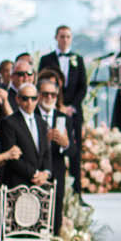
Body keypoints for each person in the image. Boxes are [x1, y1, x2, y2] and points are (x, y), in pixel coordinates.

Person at [0, 76, 57, 241]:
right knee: (19, 229)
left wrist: (46, 174)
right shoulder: (9, 123)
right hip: (18, 184)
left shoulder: (42, 123)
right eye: (25, 98)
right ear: (18, 100)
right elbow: (12, 156)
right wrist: (33, 173)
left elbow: (47, 152)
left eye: (33, 98)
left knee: (36, 228)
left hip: (39, 186)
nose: (29, 102)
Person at [39, 24, 88, 191]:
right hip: (51, 108)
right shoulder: (46, 59)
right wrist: (57, 105)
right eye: (62, 36)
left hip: (72, 112)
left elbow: (83, 87)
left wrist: (71, 107)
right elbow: (42, 83)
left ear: (71, 38)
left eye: (67, 36)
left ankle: (77, 191)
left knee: (74, 150)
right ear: (56, 38)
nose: (65, 39)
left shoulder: (78, 59)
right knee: (53, 147)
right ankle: (53, 187)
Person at [35, 70, 72, 226]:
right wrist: (44, 141)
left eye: (53, 95)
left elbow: (74, 151)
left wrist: (65, 144)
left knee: (56, 213)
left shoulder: (63, 118)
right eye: (45, 94)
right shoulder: (31, 115)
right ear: (38, 95)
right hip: (36, 171)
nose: (49, 98)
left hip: (57, 170)